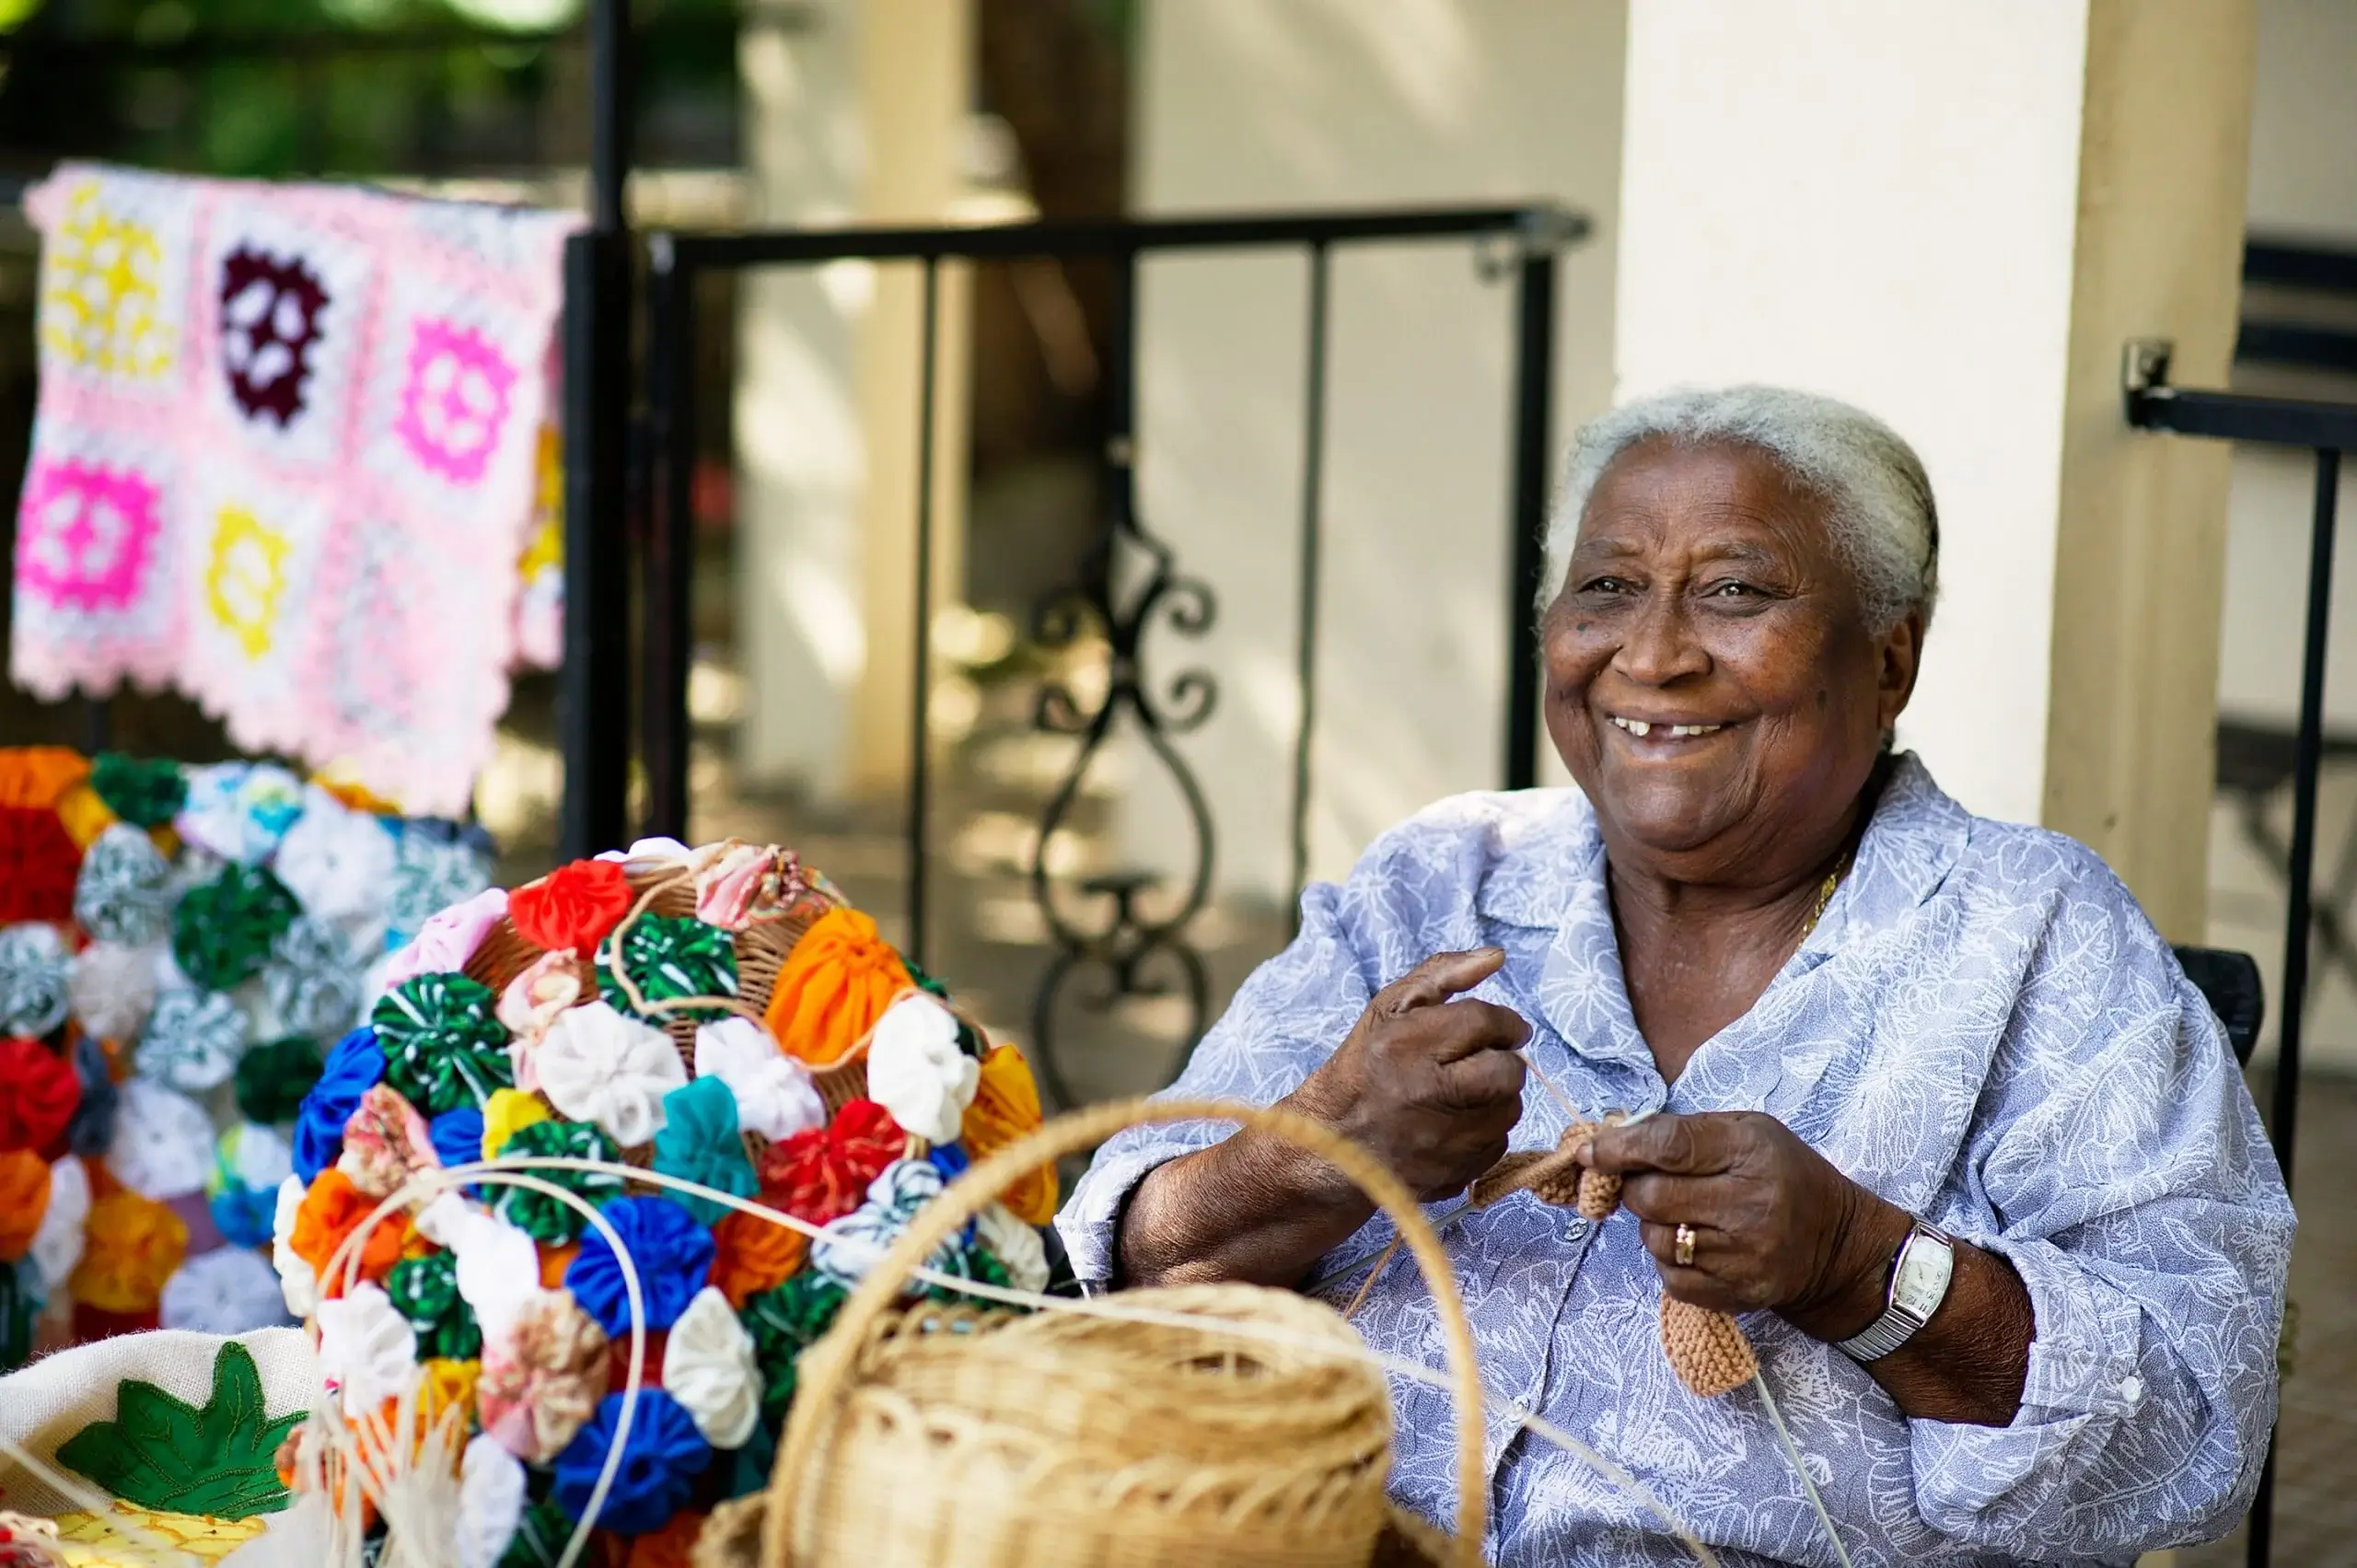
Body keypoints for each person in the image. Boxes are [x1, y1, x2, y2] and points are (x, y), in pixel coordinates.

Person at [1056, 385, 2293, 1565]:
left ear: (1890, 663)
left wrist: (1863, 1264)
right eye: (1607, 588)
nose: (1651, 655)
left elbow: (2191, 1423)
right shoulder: (1440, 880)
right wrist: (1319, 1148)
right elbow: (1108, 1267)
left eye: (1734, 591)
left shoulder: (2039, 938)